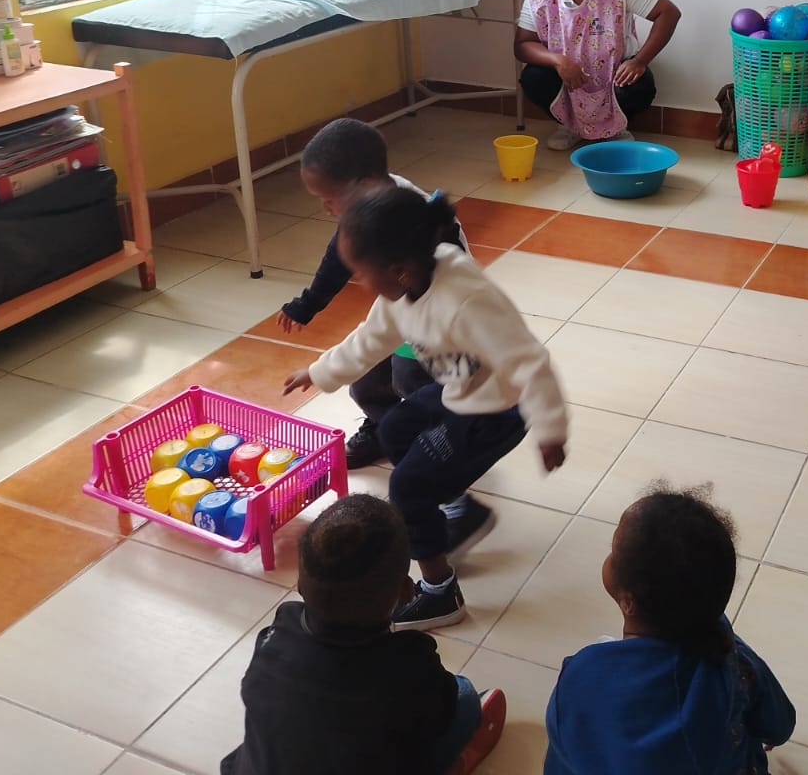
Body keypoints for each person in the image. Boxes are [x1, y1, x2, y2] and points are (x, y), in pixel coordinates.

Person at [284, 186, 569, 630]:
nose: (358, 282)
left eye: (360, 273)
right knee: (394, 429)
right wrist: (318, 372)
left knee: (408, 488)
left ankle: (440, 592)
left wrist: (550, 429)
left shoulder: (467, 299)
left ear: (397, 270)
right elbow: (369, 339)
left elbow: (529, 361)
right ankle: (455, 505)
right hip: (459, 390)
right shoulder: (401, 290)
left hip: (498, 409)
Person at [221, 494, 506, 775]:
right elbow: (441, 713)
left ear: (299, 585)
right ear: (406, 592)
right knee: (464, 694)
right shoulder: (411, 659)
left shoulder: (281, 626)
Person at [274, 119, 475, 488]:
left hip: (439, 320)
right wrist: (308, 305)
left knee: (411, 377)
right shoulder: (368, 209)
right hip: (400, 307)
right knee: (365, 382)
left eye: (329, 199)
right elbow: (339, 263)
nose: (325, 208)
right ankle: (384, 427)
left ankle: (442, 444)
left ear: (365, 184)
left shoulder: (417, 230)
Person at [544, 483, 796, 774]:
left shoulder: (585, 676)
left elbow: (563, 755)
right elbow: (779, 719)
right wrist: (773, 732)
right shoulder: (727, 654)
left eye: (612, 551)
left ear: (628, 601)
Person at [514, 0, 681, 151]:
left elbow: (668, 13)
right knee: (534, 77)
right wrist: (559, 61)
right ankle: (568, 127)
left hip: (614, 75)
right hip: (567, 78)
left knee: (639, 86)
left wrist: (640, 61)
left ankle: (616, 129)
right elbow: (522, 45)